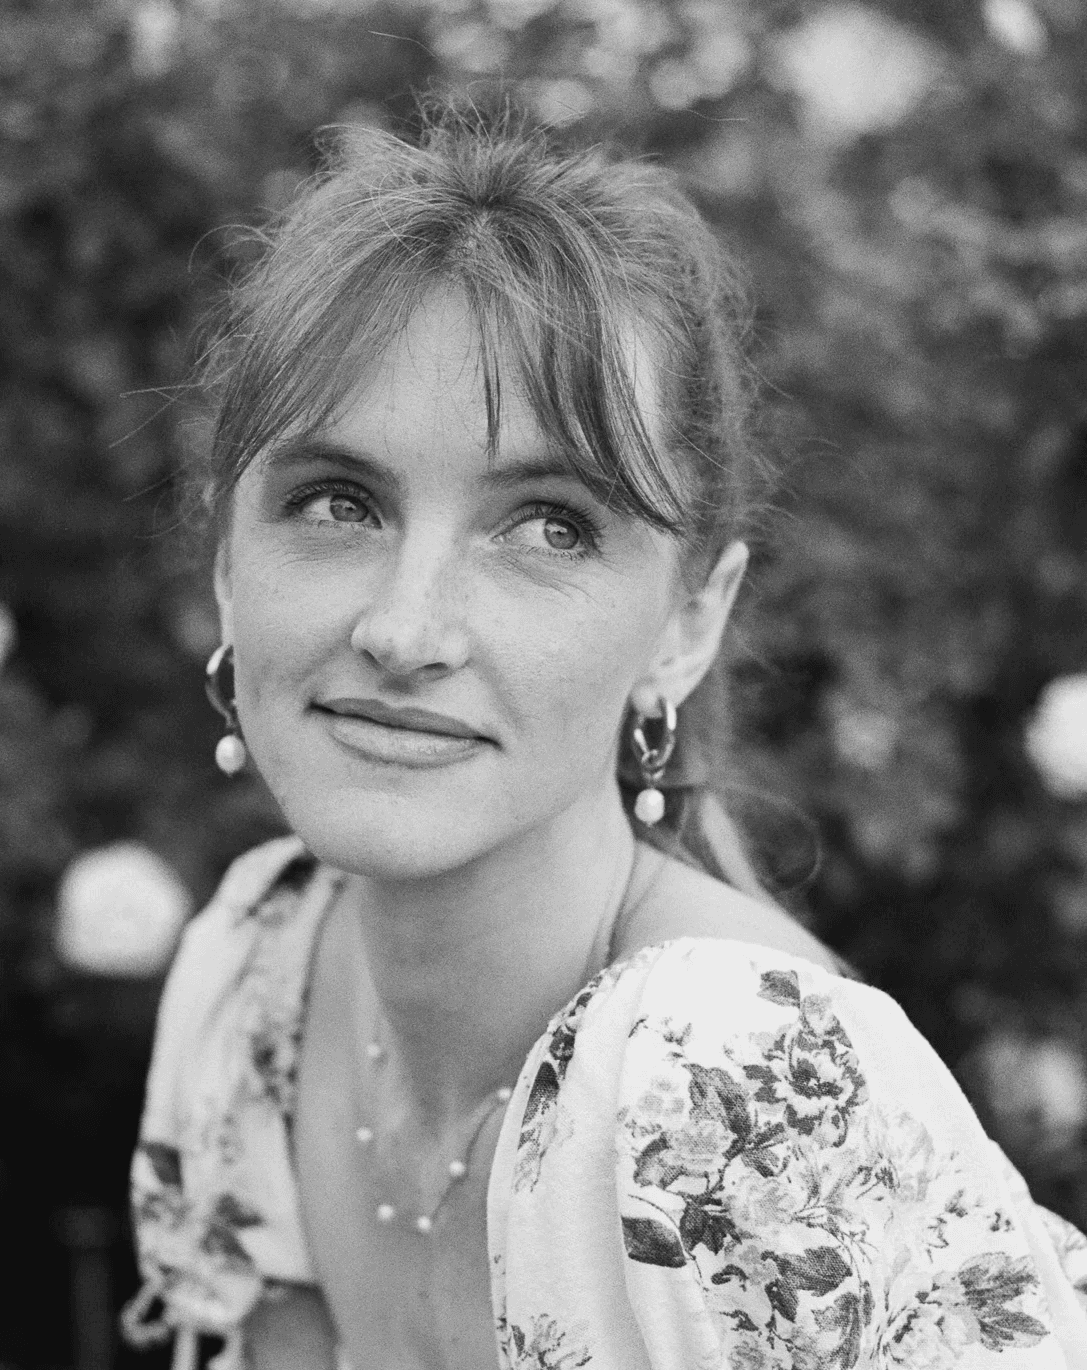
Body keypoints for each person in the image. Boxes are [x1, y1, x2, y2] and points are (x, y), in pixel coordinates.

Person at [120, 106, 1087, 1370]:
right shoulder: (259, 976)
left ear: (688, 619)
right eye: (336, 500)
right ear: (225, 563)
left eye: (548, 526)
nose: (406, 627)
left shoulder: (728, 1081)